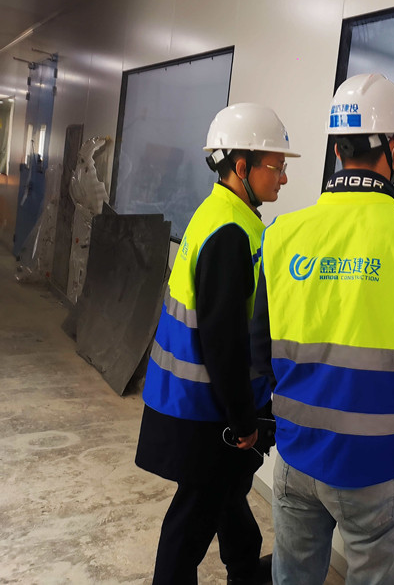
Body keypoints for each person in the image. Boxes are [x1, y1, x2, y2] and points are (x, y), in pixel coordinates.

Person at [250, 73, 394, 585]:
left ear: (338, 148)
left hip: (297, 456)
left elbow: (258, 349)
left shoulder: (283, 233)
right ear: (393, 149)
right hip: (379, 468)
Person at [135, 103, 299, 585]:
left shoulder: (222, 215)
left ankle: (245, 569)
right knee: (192, 521)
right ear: (242, 166)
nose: (283, 178)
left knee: (226, 497)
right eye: (276, 166)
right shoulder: (230, 233)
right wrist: (243, 420)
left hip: (194, 400)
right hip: (204, 409)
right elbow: (223, 342)